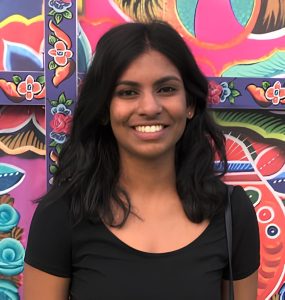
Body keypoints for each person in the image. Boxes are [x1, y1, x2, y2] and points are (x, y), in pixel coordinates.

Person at [24, 21, 260, 300]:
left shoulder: (231, 213)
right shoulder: (62, 214)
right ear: (103, 110)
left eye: (166, 89)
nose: (149, 107)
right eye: (128, 92)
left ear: (191, 105)